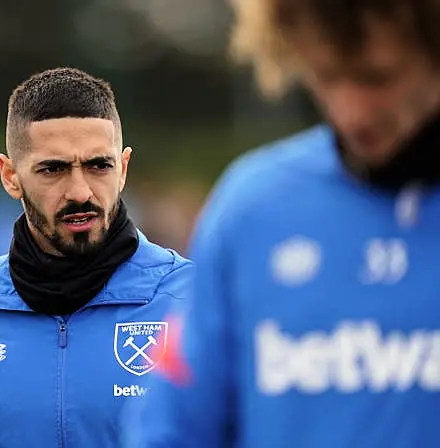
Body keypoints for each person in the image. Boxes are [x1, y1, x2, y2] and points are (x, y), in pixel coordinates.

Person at [123, 0, 440, 447]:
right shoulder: (253, 207)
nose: (350, 112)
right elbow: (170, 430)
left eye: (377, 77)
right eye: (327, 76)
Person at [0, 67, 192, 447]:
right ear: (10, 176)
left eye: (98, 165)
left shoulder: (193, 301)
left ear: (122, 169)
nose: (79, 191)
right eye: (53, 169)